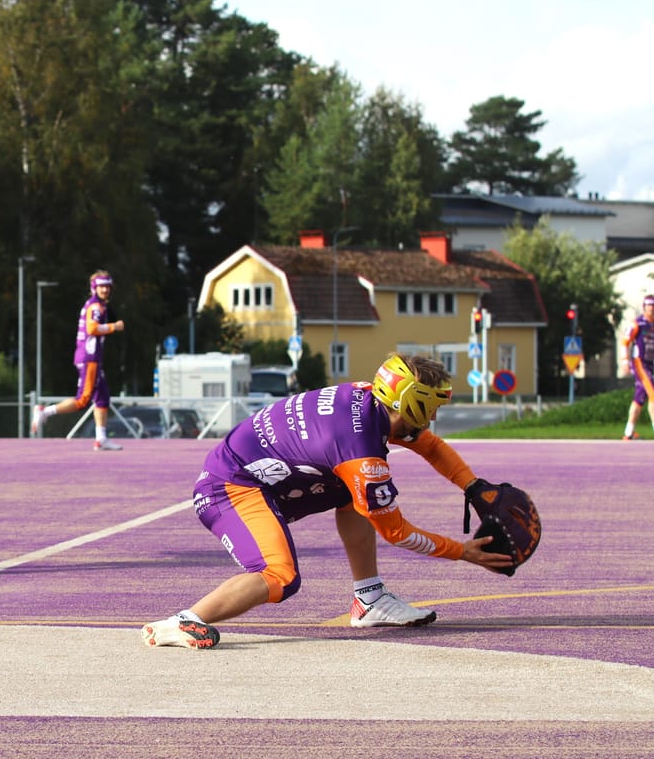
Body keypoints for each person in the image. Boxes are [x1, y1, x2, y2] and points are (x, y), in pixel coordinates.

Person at [142, 353, 515, 649]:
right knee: (280, 576)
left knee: (350, 494)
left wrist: (473, 486)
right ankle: (183, 621)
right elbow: (397, 532)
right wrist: (462, 552)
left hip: (258, 475)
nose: (434, 416)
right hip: (230, 488)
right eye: (433, 407)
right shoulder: (360, 453)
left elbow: (428, 445)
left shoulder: (369, 399)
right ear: (412, 403)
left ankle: (370, 600)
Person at [31, 270, 126, 450]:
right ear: (94, 288)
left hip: (92, 358)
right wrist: (115, 326)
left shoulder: (99, 305)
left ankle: (101, 438)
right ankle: (45, 411)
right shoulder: (96, 307)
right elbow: (92, 328)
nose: (105, 290)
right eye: (101, 286)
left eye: (107, 286)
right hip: (89, 357)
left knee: (102, 398)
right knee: (83, 399)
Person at [620, 295, 654, 440]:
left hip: (652, 364)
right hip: (640, 364)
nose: (651, 308)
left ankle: (628, 432)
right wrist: (624, 360)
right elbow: (624, 342)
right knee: (653, 393)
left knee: (639, 399)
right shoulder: (637, 324)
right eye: (648, 305)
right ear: (644, 307)